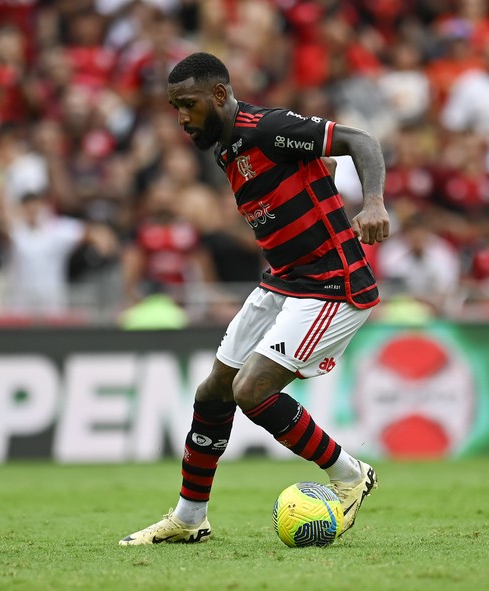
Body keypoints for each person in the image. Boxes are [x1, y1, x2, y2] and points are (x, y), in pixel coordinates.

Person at [120, 53, 390, 546]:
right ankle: (188, 518)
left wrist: (373, 202)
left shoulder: (267, 128)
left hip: (333, 282)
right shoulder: (224, 146)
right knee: (212, 393)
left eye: (189, 104)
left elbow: (360, 141)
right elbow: (303, 173)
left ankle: (350, 475)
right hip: (285, 280)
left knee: (251, 391)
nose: (181, 117)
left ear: (219, 96)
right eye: (175, 107)